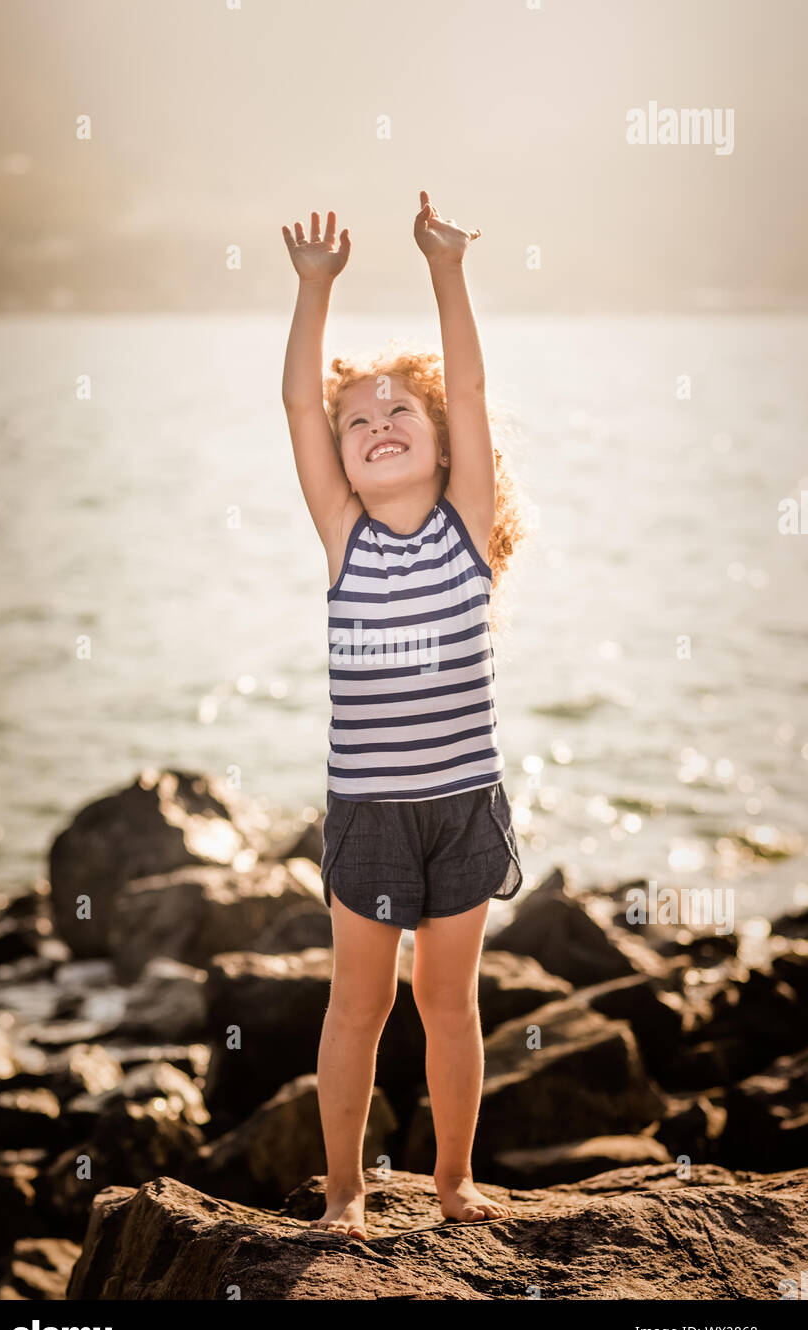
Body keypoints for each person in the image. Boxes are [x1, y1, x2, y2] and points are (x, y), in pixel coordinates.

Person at [281, 192, 525, 1241]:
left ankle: (453, 1179)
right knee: (359, 1005)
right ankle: (345, 1190)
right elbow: (299, 405)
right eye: (358, 421)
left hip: (463, 804)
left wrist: (447, 269)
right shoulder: (346, 538)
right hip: (373, 811)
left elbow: (466, 381)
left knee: (449, 1003)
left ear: (439, 442)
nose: (378, 427)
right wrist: (313, 290)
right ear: (338, 457)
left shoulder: (463, 530)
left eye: (400, 414)